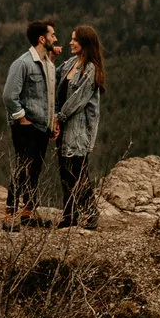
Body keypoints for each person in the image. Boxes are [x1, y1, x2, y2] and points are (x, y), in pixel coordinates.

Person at [1, 18, 59, 227]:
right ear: (42, 39)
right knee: (22, 168)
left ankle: (28, 213)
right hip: (26, 127)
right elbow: (9, 96)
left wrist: (52, 122)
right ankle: (9, 214)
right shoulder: (22, 63)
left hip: (42, 127)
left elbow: (49, 97)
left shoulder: (48, 64)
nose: (55, 38)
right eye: (52, 35)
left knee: (35, 170)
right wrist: (21, 118)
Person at [53, 24, 106, 230]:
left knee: (78, 173)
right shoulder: (69, 64)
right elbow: (53, 77)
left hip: (78, 130)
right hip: (63, 128)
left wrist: (59, 117)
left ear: (85, 43)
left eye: (75, 39)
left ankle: (91, 214)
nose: (70, 42)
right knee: (65, 172)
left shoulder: (90, 69)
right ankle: (70, 215)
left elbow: (78, 99)